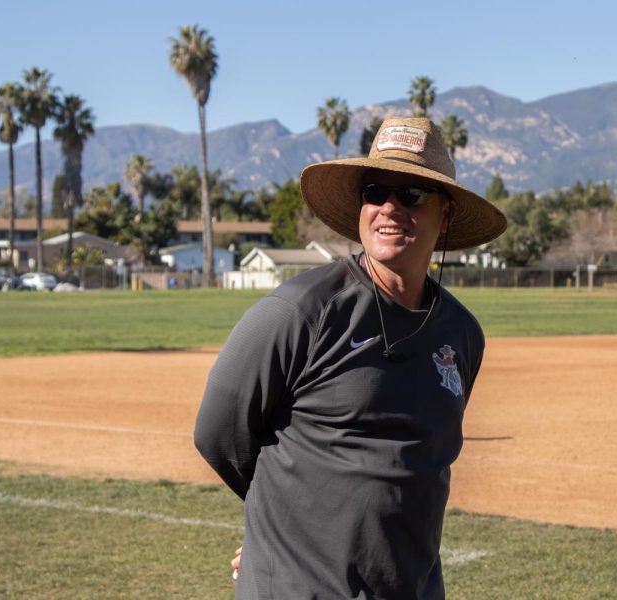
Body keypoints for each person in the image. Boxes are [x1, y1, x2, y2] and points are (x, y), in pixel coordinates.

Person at [194, 116, 507, 598]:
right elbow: (218, 434)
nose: (389, 208)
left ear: (445, 214)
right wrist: (278, 525)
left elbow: (419, 461)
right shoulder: (299, 311)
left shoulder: (462, 334)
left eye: (412, 195)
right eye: (376, 190)